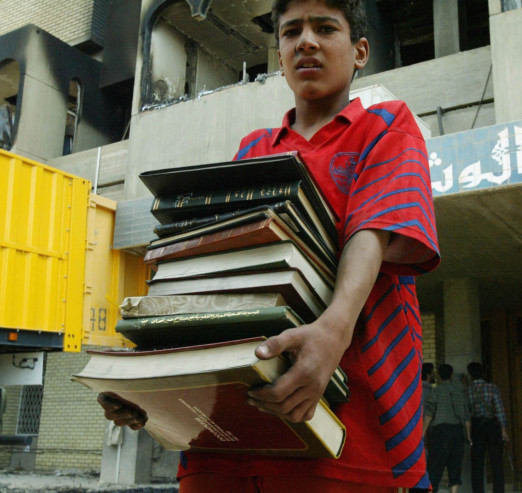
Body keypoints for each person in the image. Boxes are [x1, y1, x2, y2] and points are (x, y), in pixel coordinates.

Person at [99, 0, 440, 491]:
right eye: (290, 32)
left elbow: (371, 230)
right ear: (278, 55)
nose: (306, 41)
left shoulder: (385, 126)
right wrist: (154, 382)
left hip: (349, 427)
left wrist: (332, 333)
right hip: (224, 441)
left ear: (361, 51)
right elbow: (220, 274)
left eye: (326, 28)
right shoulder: (254, 149)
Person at [422, 364, 471, 493]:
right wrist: (468, 435)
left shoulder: (436, 391)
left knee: (435, 467)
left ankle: (433, 490)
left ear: (439, 376)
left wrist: (423, 432)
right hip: (457, 431)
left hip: (441, 432)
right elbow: (466, 416)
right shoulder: (460, 392)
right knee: (455, 467)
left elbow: (429, 413)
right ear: (451, 375)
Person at [466, 362, 509, 493]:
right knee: (496, 461)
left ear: (470, 375)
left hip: (476, 426)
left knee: (477, 463)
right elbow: (499, 409)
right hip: (492, 425)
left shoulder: (467, 390)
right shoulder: (492, 387)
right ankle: (498, 490)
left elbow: (467, 412)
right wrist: (503, 429)